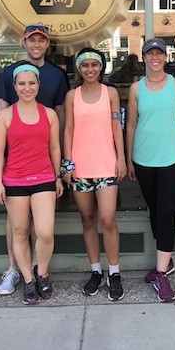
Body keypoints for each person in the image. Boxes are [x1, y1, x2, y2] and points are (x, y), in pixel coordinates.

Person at [0, 23, 69, 295]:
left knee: (44, 230)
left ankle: (41, 272)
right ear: (24, 43)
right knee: (19, 229)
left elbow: (59, 125)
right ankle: (21, 275)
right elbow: (1, 123)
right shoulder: (8, 77)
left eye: (41, 40)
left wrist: (59, 170)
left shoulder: (56, 79)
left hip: (43, 170)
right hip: (14, 172)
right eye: (31, 40)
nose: (36, 44)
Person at [126, 38, 175, 302]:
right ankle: (167, 260)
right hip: (143, 159)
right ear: (144, 58)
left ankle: (162, 274)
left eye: (159, 54)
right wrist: (129, 159)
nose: (155, 58)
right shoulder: (135, 88)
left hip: (173, 158)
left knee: (167, 212)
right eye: (150, 54)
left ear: (166, 57)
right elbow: (130, 124)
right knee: (155, 210)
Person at [64, 47, 127, 301]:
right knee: (88, 220)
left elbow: (116, 126)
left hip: (106, 165)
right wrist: (67, 165)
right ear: (79, 69)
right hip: (80, 167)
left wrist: (121, 158)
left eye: (94, 65)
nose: (90, 69)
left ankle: (114, 272)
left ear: (101, 67)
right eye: (85, 65)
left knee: (108, 219)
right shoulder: (72, 96)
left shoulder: (110, 93)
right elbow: (68, 129)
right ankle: (96, 271)